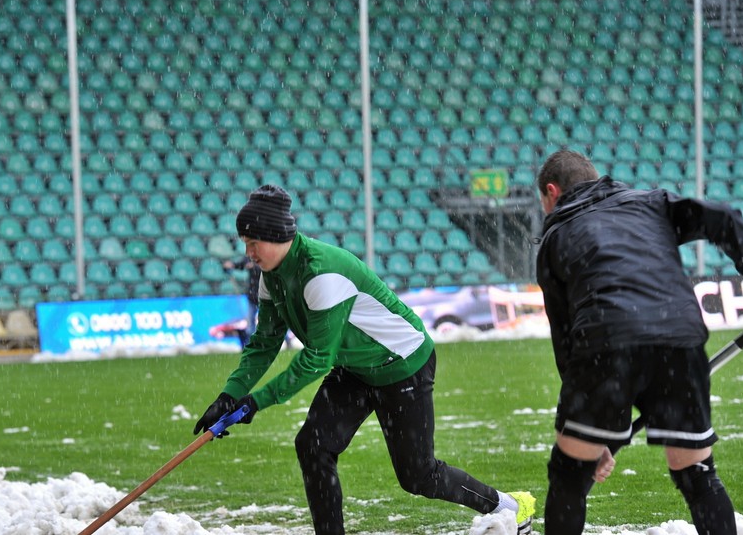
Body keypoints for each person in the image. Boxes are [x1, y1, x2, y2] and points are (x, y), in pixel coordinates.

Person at [194, 184, 535, 535]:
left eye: (253, 243)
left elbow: (316, 358)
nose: (248, 252)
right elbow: (264, 343)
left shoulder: (321, 273)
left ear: (276, 236)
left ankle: (510, 506)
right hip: (356, 369)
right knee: (312, 445)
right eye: (245, 244)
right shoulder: (272, 276)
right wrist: (229, 396)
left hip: (402, 365)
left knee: (419, 476)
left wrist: (256, 402)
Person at [534, 149, 743, 534]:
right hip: (679, 339)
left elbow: (566, 341)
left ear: (552, 192)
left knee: (568, 478)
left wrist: (589, 429)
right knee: (698, 477)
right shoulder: (651, 203)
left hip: (604, 342)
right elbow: (726, 219)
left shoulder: (555, 236)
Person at [222, 255, 260, 348]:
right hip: (253, 295)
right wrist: (232, 265)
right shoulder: (253, 255)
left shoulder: (264, 256)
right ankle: (251, 345)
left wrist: (255, 266)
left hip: (265, 296)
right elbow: (242, 264)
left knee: (270, 321)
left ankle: (285, 341)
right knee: (251, 324)